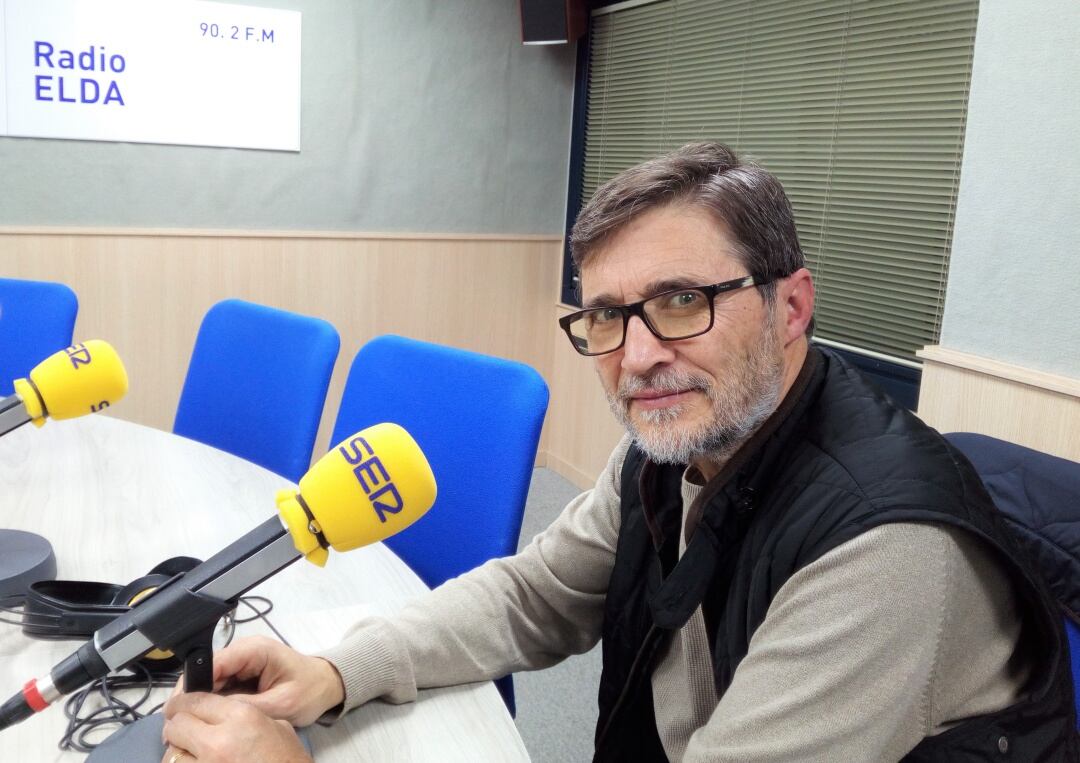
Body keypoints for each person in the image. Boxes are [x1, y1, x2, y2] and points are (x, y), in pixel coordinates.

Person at [160, 143, 1078, 763]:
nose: (638, 356)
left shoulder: (886, 554)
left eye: (681, 301)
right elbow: (536, 594)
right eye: (607, 316)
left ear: (790, 308)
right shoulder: (678, 448)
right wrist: (336, 671)